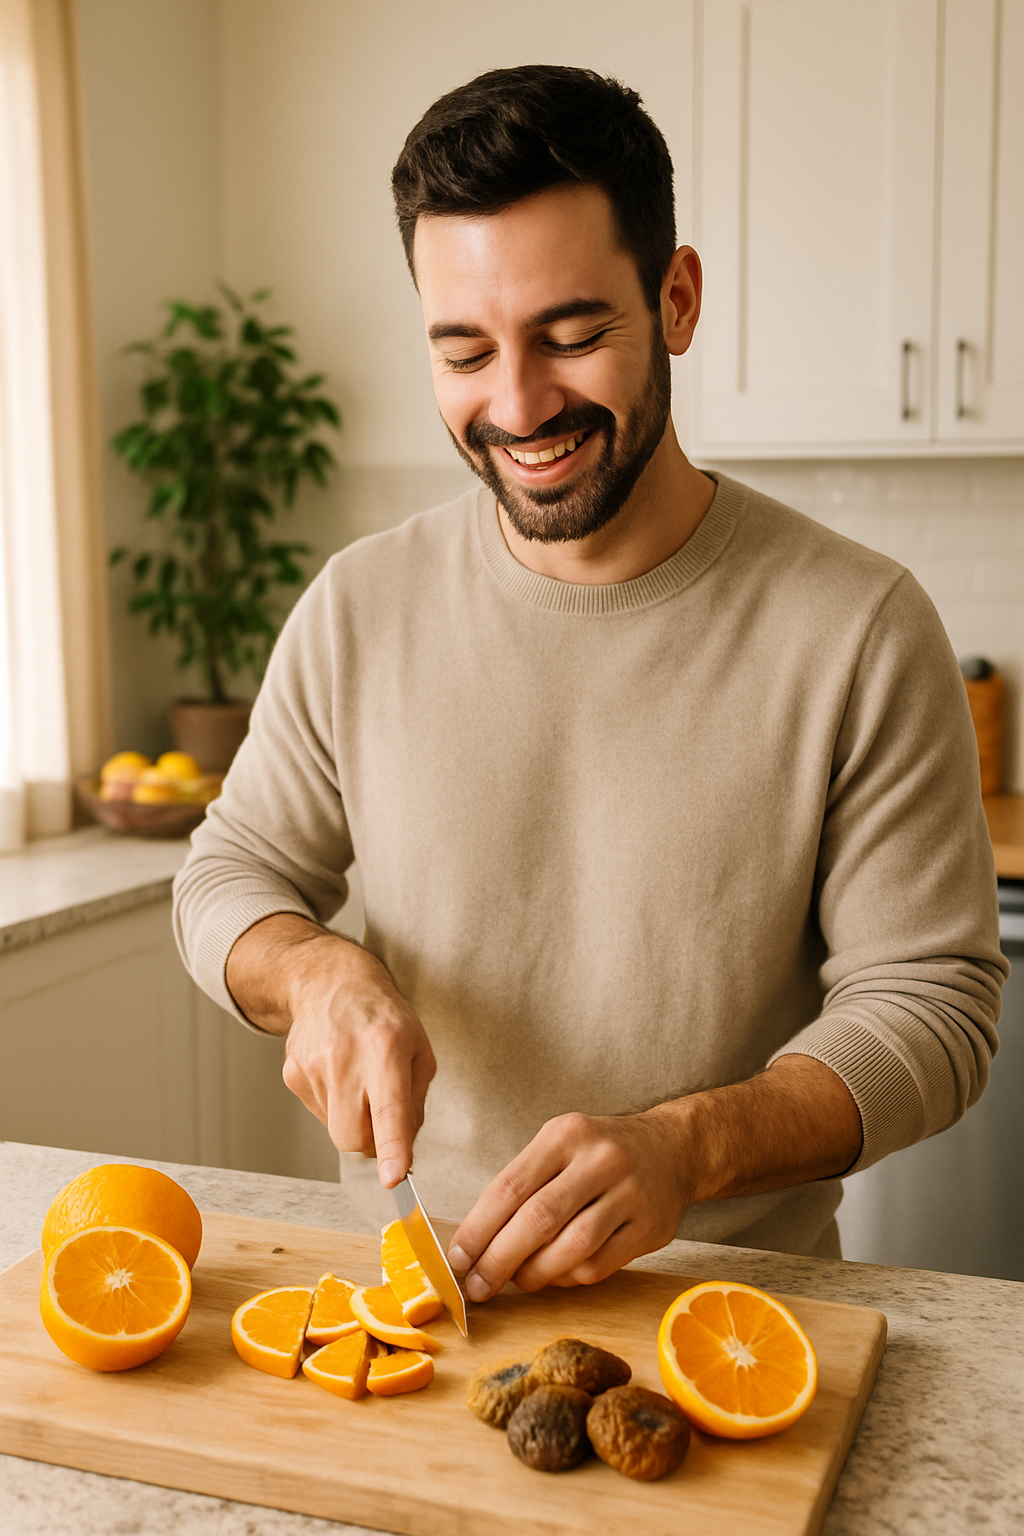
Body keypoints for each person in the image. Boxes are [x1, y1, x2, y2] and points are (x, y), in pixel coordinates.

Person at [173, 64, 1005, 1304]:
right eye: (464, 351)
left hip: (735, 1330)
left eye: (571, 336)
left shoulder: (860, 626)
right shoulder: (358, 604)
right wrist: (314, 973)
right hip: (421, 1312)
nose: (517, 406)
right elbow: (229, 872)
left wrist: (690, 1144)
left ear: (675, 300)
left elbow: (933, 1005)